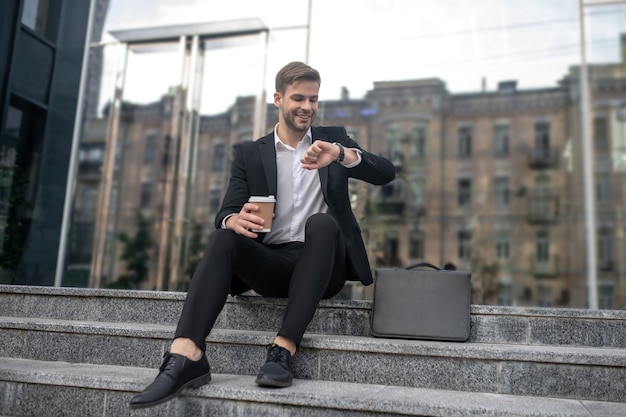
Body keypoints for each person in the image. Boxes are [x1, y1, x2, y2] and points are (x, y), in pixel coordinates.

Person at [129, 61, 396, 409]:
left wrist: (342, 155)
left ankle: (282, 351)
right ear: (278, 99)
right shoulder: (251, 153)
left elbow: (386, 173)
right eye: (298, 98)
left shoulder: (334, 140)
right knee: (223, 237)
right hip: (273, 263)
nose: (307, 107)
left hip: (323, 265)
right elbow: (225, 211)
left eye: (313, 99)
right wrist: (232, 221)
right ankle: (186, 355)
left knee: (322, 223)